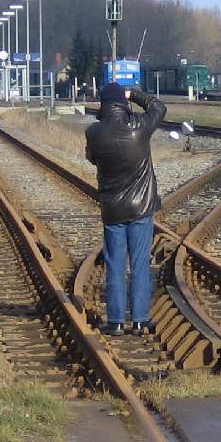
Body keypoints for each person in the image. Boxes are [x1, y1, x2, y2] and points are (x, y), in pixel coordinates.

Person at [85, 81, 167, 336]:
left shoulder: (94, 132)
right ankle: (140, 320)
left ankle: (116, 322)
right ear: (123, 102)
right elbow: (159, 107)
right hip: (141, 207)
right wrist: (136, 95)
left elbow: (91, 158)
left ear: (103, 104)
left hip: (112, 210)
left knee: (115, 264)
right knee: (140, 263)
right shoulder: (140, 126)